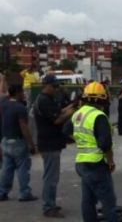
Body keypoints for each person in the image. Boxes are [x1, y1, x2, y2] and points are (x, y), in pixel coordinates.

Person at [64, 81, 117, 222]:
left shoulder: (78, 114)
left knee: (88, 200)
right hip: (96, 163)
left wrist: (81, 141)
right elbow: (105, 144)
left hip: (81, 163)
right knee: (108, 202)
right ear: (102, 99)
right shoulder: (99, 116)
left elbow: (66, 131)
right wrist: (111, 162)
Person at [33, 74, 76, 218]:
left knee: (52, 176)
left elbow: (59, 112)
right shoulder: (44, 100)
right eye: (54, 86)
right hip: (49, 143)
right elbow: (57, 120)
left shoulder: (48, 99)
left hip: (51, 143)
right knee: (51, 177)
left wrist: (72, 105)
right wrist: (71, 113)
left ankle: (50, 203)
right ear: (47, 85)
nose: (56, 89)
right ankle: (48, 207)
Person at [0, 84, 38, 202]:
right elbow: (23, 127)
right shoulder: (19, 107)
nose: (23, 94)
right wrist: (31, 144)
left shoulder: (4, 104)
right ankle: (24, 193)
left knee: (7, 168)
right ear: (17, 92)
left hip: (6, 140)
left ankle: (2, 192)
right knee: (22, 168)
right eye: (22, 92)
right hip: (18, 141)